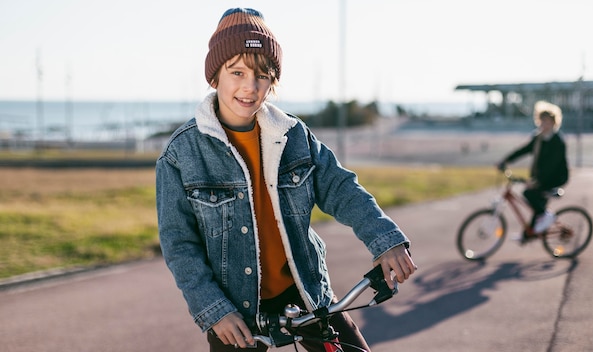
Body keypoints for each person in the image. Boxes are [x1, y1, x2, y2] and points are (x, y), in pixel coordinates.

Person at [155, 8, 417, 351]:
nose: (250, 87)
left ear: (273, 81)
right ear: (215, 76)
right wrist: (214, 311)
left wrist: (385, 240)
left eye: (262, 75)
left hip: (305, 294)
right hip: (234, 309)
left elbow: (342, 188)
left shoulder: (293, 135)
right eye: (237, 72)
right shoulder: (180, 154)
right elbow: (180, 246)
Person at [497, 100, 569, 239]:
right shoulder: (538, 138)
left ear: (554, 123)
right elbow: (523, 150)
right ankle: (529, 234)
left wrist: (536, 181)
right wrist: (505, 160)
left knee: (529, 194)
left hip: (555, 178)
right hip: (541, 177)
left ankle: (547, 217)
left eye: (547, 122)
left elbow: (551, 166)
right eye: (542, 121)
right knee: (536, 206)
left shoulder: (557, 141)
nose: (544, 125)